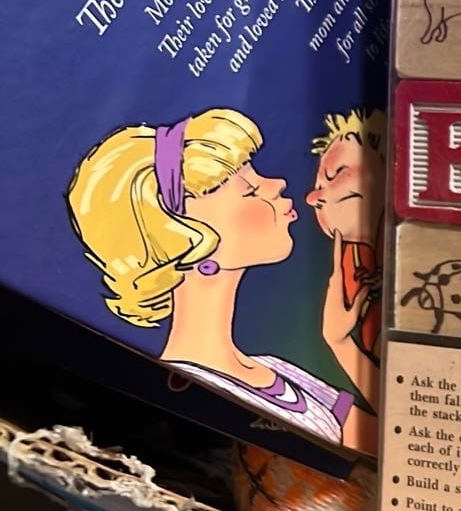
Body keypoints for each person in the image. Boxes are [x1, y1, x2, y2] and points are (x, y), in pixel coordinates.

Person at [66, 109, 364, 450]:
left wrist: (340, 342)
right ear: (184, 238)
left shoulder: (272, 368)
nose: (276, 185)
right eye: (249, 189)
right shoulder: (196, 395)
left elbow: (387, 444)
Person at [306, 109, 384, 427]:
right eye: (318, 183)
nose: (313, 197)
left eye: (336, 173)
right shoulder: (357, 275)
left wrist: (339, 342)